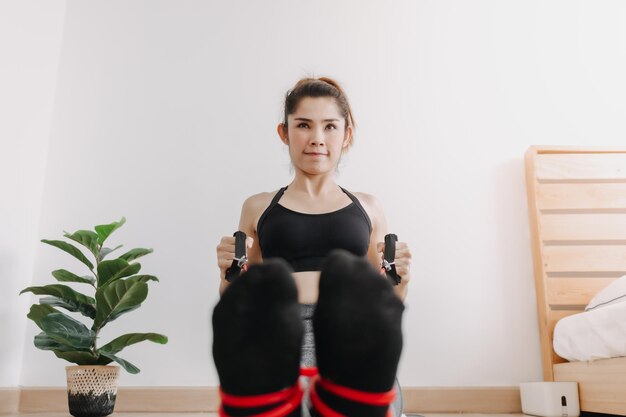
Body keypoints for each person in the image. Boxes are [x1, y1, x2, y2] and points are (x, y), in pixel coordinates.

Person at [214, 77, 412, 417]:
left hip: (349, 331)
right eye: (303, 125)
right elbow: (243, 301)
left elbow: (383, 303)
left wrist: (401, 279)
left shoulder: (369, 207)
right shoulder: (257, 207)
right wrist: (229, 274)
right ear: (284, 133)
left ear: (346, 134)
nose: (317, 139)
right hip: (283, 331)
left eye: (330, 126)